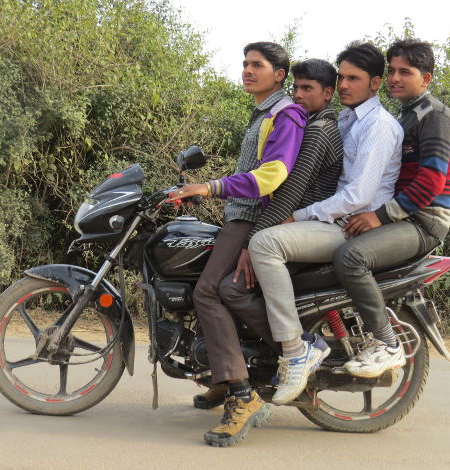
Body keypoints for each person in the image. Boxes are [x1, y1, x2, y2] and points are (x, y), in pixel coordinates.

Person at [247, 42, 403, 406]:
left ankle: (294, 348)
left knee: (264, 244)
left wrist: (297, 214)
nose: (345, 84)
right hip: (337, 219)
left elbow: (357, 196)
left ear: (375, 84)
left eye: (354, 79)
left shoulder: (377, 126)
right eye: (342, 76)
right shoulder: (348, 119)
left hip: (348, 225)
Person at [168, 42, 307, 447]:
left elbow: (273, 174)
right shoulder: (263, 113)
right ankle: (223, 375)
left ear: (279, 74)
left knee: (207, 293)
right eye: (245, 63)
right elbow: (249, 172)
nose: (247, 70)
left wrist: (213, 187)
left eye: (257, 65)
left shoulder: (287, 114)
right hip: (238, 214)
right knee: (212, 288)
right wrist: (199, 192)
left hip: (250, 219)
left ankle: (243, 395)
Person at [336, 38, 450, 378]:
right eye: (391, 71)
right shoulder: (406, 116)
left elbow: (431, 183)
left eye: (405, 72)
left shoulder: (434, 116)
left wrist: (378, 216)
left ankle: (387, 343)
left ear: (427, 78)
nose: (395, 78)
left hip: (423, 222)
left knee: (352, 257)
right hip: (404, 217)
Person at [216, 58, 344, 355]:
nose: (298, 95)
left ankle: (294, 350)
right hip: (298, 224)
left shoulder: (318, 131)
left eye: (307, 88)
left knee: (231, 289)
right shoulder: (313, 124)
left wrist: (250, 240)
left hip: (307, 227)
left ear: (327, 93)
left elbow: (289, 194)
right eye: (296, 87)